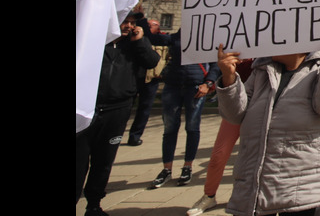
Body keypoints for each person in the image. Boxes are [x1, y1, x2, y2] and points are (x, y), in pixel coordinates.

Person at [214, 36, 320, 216]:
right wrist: (228, 78)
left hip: (299, 191)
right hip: (253, 188)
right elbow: (235, 115)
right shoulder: (261, 70)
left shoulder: (319, 68)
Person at [77, 12, 161, 216]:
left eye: (132, 22)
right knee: (79, 161)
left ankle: (94, 204)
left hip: (118, 109)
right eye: (125, 21)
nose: (128, 26)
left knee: (104, 160)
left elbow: (152, 61)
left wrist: (140, 41)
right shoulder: (91, 39)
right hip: (87, 109)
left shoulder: (134, 44)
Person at [148, 29, 221, 188]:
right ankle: (167, 169)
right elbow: (153, 37)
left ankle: (187, 167)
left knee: (192, 127)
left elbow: (216, 64)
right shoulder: (176, 37)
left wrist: (208, 83)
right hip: (173, 85)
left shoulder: (208, 38)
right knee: (169, 128)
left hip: (195, 87)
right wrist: (140, 19)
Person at [127, 18, 167, 146]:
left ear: (158, 27)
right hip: (134, 77)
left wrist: (163, 72)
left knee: (144, 109)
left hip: (152, 78)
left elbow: (167, 57)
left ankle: (135, 135)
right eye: (147, 25)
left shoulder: (163, 39)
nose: (149, 27)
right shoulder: (136, 38)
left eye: (152, 25)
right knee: (127, 106)